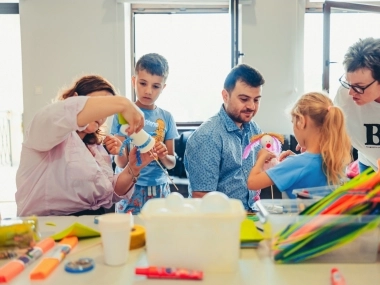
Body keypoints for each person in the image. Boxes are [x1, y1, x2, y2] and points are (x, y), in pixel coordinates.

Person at [16, 75, 155, 216]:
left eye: (106, 111)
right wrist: (124, 103)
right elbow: (69, 111)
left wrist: (133, 167)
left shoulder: (97, 150)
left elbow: (110, 194)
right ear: (74, 98)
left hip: (91, 224)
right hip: (48, 227)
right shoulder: (46, 127)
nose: (101, 114)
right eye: (98, 104)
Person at [184, 64, 264, 212]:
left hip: (251, 214)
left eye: (256, 100)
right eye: (244, 99)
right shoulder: (208, 137)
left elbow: (259, 172)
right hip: (221, 223)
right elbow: (203, 199)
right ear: (225, 96)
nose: (252, 106)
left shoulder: (254, 129)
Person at [247, 92, 352, 198]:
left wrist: (261, 157)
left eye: (293, 122)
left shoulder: (296, 164)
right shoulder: (336, 160)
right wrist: (297, 159)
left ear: (301, 121)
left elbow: (252, 183)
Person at [111, 53, 179, 214]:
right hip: (130, 187)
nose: (148, 91)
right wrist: (122, 148)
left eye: (156, 86)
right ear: (134, 81)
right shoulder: (122, 114)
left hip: (159, 188)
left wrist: (163, 155)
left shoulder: (167, 117)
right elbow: (120, 163)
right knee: (128, 234)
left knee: (159, 233)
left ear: (163, 88)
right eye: (143, 83)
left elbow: (171, 162)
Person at [334, 37, 380, 172]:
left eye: (360, 87)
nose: (351, 92)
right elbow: (333, 128)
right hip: (368, 164)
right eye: (348, 83)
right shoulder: (344, 95)